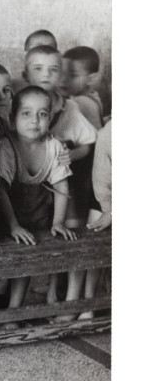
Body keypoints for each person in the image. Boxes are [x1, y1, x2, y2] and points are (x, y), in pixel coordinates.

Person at [0, 86, 78, 330]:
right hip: (6, 214)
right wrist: (13, 225)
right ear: (12, 118)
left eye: (42, 114)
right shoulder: (6, 145)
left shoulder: (54, 146)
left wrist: (58, 222)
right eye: (26, 114)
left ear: (51, 118)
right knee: (10, 260)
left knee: (29, 261)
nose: (35, 121)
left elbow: (62, 184)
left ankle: (14, 311)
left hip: (38, 213)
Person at [23, 45, 97, 228]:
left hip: (61, 182)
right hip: (28, 181)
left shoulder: (69, 108)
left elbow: (88, 142)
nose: (46, 75)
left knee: (71, 224)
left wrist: (73, 155)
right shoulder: (17, 105)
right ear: (26, 75)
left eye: (53, 70)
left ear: (61, 74)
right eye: (38, 69)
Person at [80, 120, 111, 320]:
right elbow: (101, 176)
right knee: (93, 255)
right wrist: (110, 209)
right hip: (105, 199)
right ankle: (88, 304)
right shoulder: (109, 132)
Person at [61, 46, 104, 130]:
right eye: (62, 73)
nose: (64, 79)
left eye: (73, 75)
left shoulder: (80, 102)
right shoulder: (93, 96)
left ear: (91, 79)